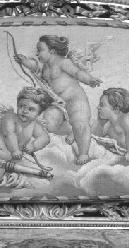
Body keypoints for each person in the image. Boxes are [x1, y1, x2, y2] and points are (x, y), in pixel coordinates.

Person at [16, 35, 102, 165]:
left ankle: (83, 153)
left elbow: (77, 73)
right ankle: (71, 130)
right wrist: (23, 61)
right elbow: (34, 66)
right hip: (57, 104)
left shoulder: (63, 62)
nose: (37, 53)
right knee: (49, 124)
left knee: (80, 124)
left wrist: (89, 79)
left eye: (40, 50)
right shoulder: (44, 67)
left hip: (75, 99)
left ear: (52, 50)